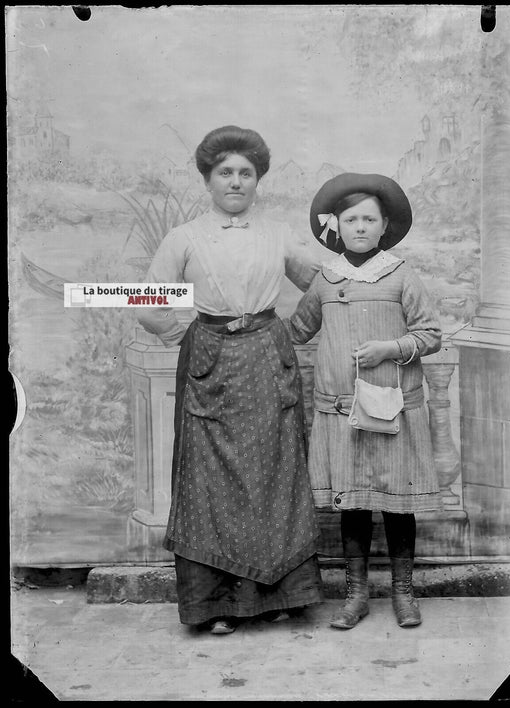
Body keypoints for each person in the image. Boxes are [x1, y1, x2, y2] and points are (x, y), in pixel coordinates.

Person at [137, 125, 328, 635]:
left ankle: (282, 598)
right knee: (210, 481)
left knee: (274, 472)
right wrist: (187, 334)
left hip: (268, 359)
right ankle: (217, 606)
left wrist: (299, 327)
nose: (237, 182)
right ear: (208, 180)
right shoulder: (185, 237)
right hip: (210, 363)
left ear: (258, 179)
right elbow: (146, 299)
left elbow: (324, 282)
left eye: (246, 173)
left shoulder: (276, 234)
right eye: (226, 173)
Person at [285, 173, 443, 630]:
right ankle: (355, 596)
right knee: (351, 506)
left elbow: (431, 334)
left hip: (393, 407)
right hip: (342, 413)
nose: (359, 227)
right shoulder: (325, 279)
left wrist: (389, 349)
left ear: (383, 225)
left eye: (368, 219)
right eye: (350, 219)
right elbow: (297, 332)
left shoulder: (401, 274)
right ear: (336, 225)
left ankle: (404, 593)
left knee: (398, 505)